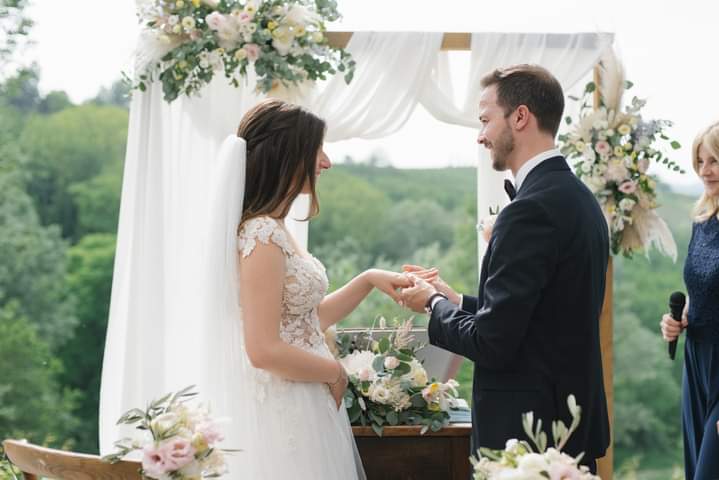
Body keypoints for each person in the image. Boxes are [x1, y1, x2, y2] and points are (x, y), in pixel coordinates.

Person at [399, 64, 610, 471]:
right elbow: (543, 313)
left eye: (484, 119)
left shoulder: (529, 210)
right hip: (567, 425)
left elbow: (493, 342)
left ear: (520, 116)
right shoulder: (578, 198)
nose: (480, 135)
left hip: (528, 437)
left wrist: (431, 305)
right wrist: (455, 299)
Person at [224, 99, 411, 478]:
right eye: (317, 150)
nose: (326, 162)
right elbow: (262, 349)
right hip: (284, 405)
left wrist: (368, 279)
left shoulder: (276, 229)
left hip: (305, 399)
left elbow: (306, 320)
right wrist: (334, 373)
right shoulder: (261, 234)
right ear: (288, 156)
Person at [660, 121, 719, 480]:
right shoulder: (703, 222)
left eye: (714, 160)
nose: (704, 170)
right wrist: (677, 321)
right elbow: (703, 292)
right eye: (700, 161)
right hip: (696, 362)